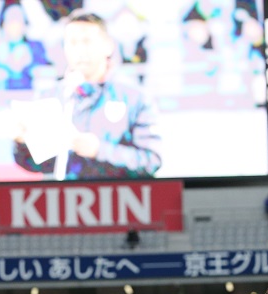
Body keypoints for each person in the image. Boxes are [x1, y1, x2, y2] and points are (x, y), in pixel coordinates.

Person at [13, 9, 162, 180]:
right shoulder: (48, 97)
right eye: (72, 43)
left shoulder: (135, 97)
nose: (80, 50)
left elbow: (151, 160)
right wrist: (22, 144)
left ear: (108, 46)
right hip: (61, 195)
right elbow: (37, 165)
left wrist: (100, 150)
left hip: (116, 194)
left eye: (87, 42)